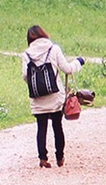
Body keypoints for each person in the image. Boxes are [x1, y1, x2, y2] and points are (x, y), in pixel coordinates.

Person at [22, 25, 81, 169]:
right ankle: (60, 158)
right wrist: (79, 62)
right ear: (44, 34)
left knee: (41, 128)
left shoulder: (26, 54)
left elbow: (25, 76)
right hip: (55, 96)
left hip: (37, 97)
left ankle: (43, 159)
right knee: (57, 126)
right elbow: (67, 69)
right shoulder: (53, 49)